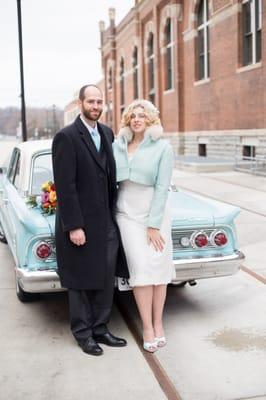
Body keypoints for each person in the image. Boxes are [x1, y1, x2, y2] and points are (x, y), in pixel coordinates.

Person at [52, 84, 129, 356]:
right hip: (81, 223)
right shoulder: (67, 136)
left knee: (106, 277)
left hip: (106, 220)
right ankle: (83, 333)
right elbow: (65, 185)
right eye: (91, 102)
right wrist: (74, 225)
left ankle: (101, 327)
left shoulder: (107, 133)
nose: (96, 106)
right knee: (82, 279)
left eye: (99, 102)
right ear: (81, 103)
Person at [113, 99, 174, 353]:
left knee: (158, 270)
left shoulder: (163, 148)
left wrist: (153, 225)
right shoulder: (118, 146)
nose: (137, 119)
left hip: (155, 214)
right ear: (128, 120)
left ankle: (159, 324)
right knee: (140, 270)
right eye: (133, 116)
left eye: (142, 115)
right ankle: (146, 327)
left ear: (150, 120)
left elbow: (162, 188)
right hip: (126, 213)